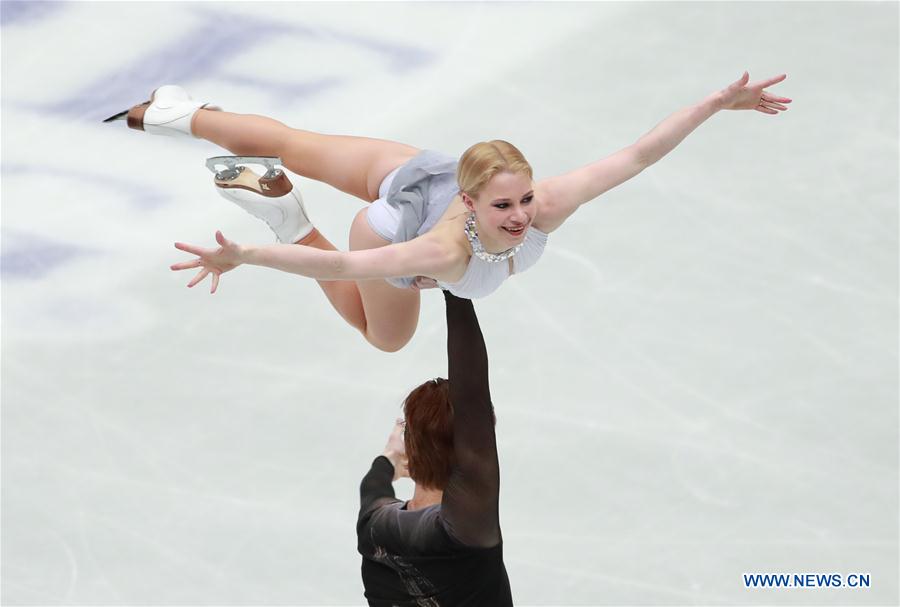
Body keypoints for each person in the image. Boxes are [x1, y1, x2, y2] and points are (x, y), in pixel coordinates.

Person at [111, 71, 791, 352]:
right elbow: (353, 259)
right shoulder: (443, 252)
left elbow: (640, 154)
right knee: (382, 335)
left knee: (291, 141)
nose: (523, 214)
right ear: (470, 201)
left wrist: (712, 104)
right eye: (505, 204)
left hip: (417, 170)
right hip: (387, 223)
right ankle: (285, 210)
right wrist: (247, 254)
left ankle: (177, 113)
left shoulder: (544, 203)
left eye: (524, 198)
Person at [357, 290, 509, 605]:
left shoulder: (374, 528)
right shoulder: (464, 531)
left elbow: (373, 485)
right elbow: (472, 403)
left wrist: (389, 460)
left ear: (410, 451)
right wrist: (458, 290)